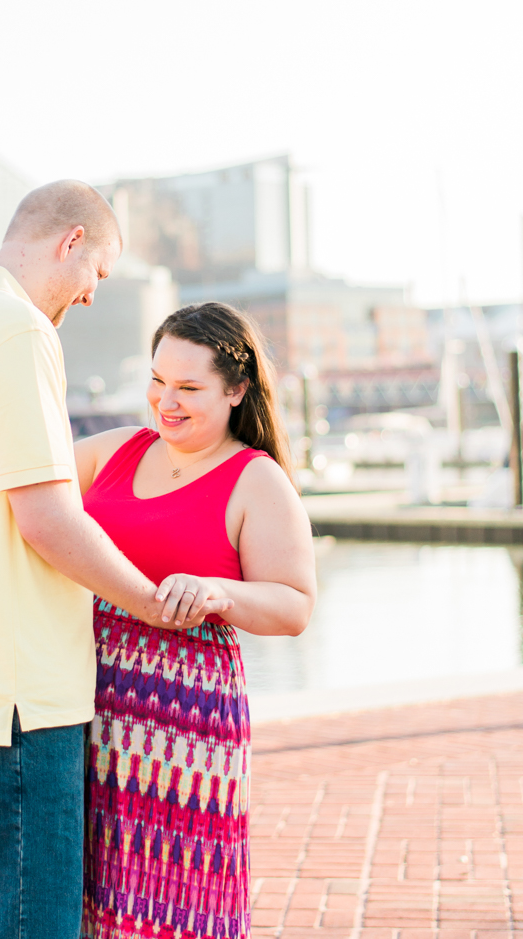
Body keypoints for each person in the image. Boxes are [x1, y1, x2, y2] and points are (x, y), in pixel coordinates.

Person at [0, 181, 231, 939]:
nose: (89, 297)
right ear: (70, 242)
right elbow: (46, 518)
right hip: (17, 700)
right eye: (98, 274)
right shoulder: (17, 331)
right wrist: (151, 602)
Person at [75, 301, 317, 939]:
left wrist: (217, 592)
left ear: (237, 390)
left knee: (181, 904)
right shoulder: (112, 453)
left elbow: (295, 606)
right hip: (84, 708)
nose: (166, 402)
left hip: (187, 726)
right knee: (92, 894)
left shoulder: (255, 480)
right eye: (157, 381)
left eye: (188, 388)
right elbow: (25, 500)